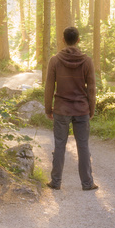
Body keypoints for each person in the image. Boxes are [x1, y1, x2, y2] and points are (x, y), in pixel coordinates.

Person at [43, 26, 98, 191]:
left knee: (60, 144)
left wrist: (48, 108)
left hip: (61, 109)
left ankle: (56, 182)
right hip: (82, 110)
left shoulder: (55, 60)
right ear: (78, 40)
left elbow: (49, 87)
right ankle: (87, 183)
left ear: (63, 39)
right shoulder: (87, 61)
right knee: (83, 145)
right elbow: (92, 89)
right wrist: (91, 109)